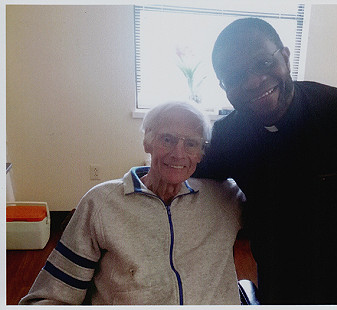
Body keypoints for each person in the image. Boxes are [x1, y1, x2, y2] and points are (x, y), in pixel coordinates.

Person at [193, 18, 337, 304]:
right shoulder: (228, 136)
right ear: (223, 86)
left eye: (264, 63)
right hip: (279, 282)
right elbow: (189, 171)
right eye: (236, 75)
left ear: (286, 57)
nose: (253, 81)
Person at [19, 102, 244, 305]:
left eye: (191, 144)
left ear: (201, 154)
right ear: (148, 141)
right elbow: (51, 297)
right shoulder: (101, 203)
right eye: (168, 139)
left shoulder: (223, 197)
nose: (178, 153)